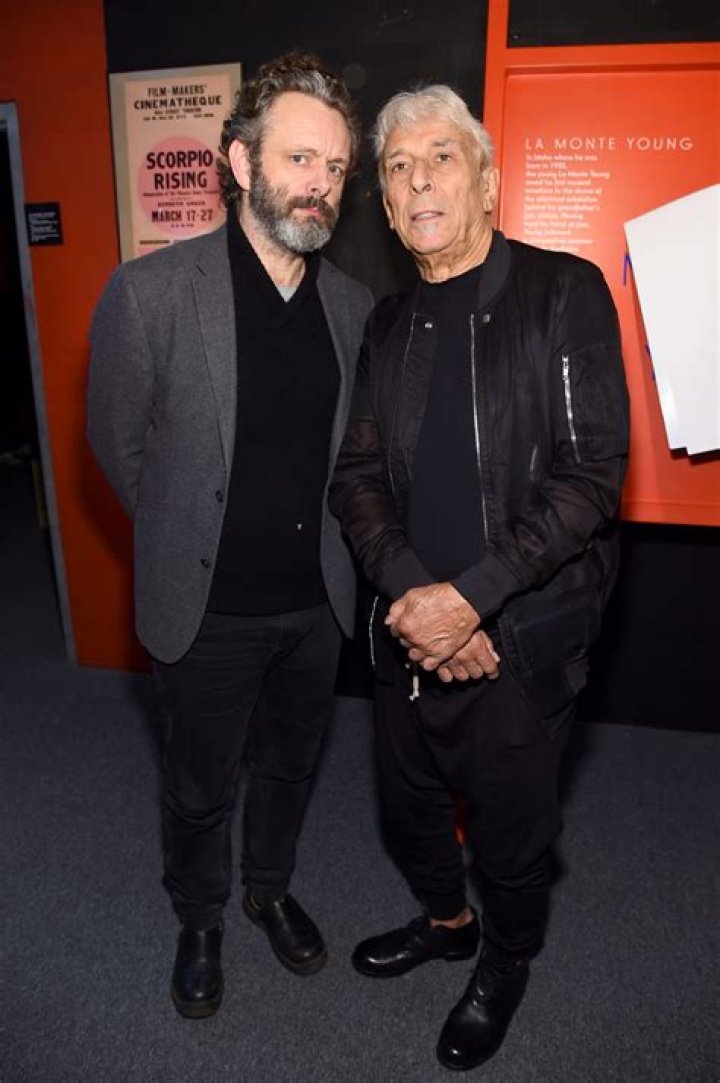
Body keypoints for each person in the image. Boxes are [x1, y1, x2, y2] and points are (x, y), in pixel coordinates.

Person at [329, 85, 629, 1071]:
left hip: (519, 638)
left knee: (512, 830)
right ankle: (448, 923)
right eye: (398, 167)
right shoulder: (386, 324)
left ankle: (505, 960)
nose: (419, 180)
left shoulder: (564, 292)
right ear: (386, 204)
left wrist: (470, 603)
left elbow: (591, 480)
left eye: (441, 157)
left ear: (488, 181)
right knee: (409, 804)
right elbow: (356, 477)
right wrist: (418, 599)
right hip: (407, 630)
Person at [88, 53, 373, 1019]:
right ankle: (200, 918)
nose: (319, 183)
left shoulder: (353, 307)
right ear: (240, 162)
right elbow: (118, 444)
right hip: (205, 609)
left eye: (334, 167)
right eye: (299, 159)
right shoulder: (150, 293)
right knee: (199, 784)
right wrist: (186, 529)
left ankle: (268, 889)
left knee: (291, 767)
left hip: (318, 605)